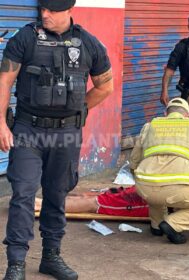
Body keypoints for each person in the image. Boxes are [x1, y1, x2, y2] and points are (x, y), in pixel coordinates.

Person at [0, 0, 113, 279]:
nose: (44, 14)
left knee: (56, 193)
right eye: (42, 9)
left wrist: (78, 110)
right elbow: (4, 81)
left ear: (68, 10)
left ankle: (51, 256)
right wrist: (1, 123)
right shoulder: (25, 37)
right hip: (29, 129)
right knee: (23, 193)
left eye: (51, 10)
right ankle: (16, 264)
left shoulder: (88, 44)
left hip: (66, 133)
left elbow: (105, 85)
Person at [130, 97, 189, 244]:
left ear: (165, 114)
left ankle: (156, 226)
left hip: (145, 187)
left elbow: (134, 161)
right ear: (187, 115)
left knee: (154, 182)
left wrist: (137, 178)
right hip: (181, 187)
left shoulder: (149, 126)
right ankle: (173, 223)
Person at [34, 186, 149, 217]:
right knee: (97, 202)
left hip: (148, 189)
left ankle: (42, 203)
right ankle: (41, 203)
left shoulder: (150, 128)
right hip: (153, 194)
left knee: (98, 201)